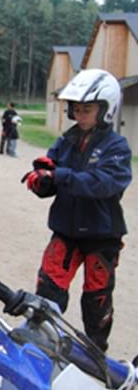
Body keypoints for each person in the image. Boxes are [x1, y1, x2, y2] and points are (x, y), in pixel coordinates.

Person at [22, 69, 132, 352]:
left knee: (96, 300)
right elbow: (52, 173)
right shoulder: (66, 141)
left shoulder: (116, 147)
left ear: (105, 110)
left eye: (88, 109)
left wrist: (60, 175)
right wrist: (41, 180)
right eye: (77, 109)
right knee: (48, 288)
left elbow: (104, 184)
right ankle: (40, 341)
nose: (80, 114)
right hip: (67, 230)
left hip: (102, 235)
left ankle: (96, 353)